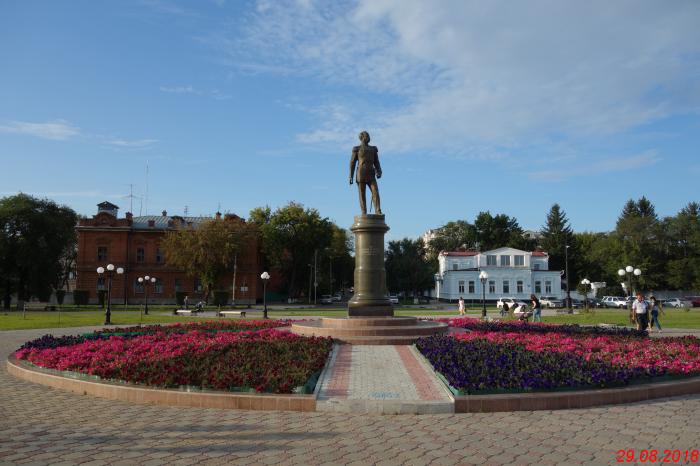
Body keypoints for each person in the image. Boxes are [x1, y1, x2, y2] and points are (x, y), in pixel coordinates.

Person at [349, 131, 383, 215]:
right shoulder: (357, 149)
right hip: (361, 173)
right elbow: (352, 162)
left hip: (371, 174)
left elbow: (376, 162)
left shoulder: (373, 149)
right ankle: (364, 212)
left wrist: (379, 171)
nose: (369, 137)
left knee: (375, 191)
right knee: (362, 193)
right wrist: (351, 176)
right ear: (362, 138)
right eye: (367, 136)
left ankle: (378, 211)